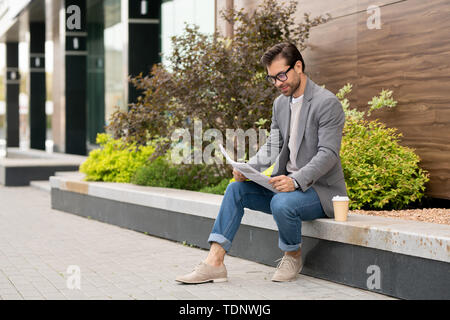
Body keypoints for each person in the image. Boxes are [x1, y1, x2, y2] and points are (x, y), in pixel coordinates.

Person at [176, 42, 348, 284]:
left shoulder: (326, 103)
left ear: (298, 66)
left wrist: (296, 180)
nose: (278, 83)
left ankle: (292, 254)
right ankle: (214, 262)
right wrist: (249, 169)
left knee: (282, 201)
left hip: (319, 192)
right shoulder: (280, 104)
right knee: (236, 189)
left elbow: (328, 154)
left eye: (281, 75)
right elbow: (273, 146)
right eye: (272, 78)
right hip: (285, 188)